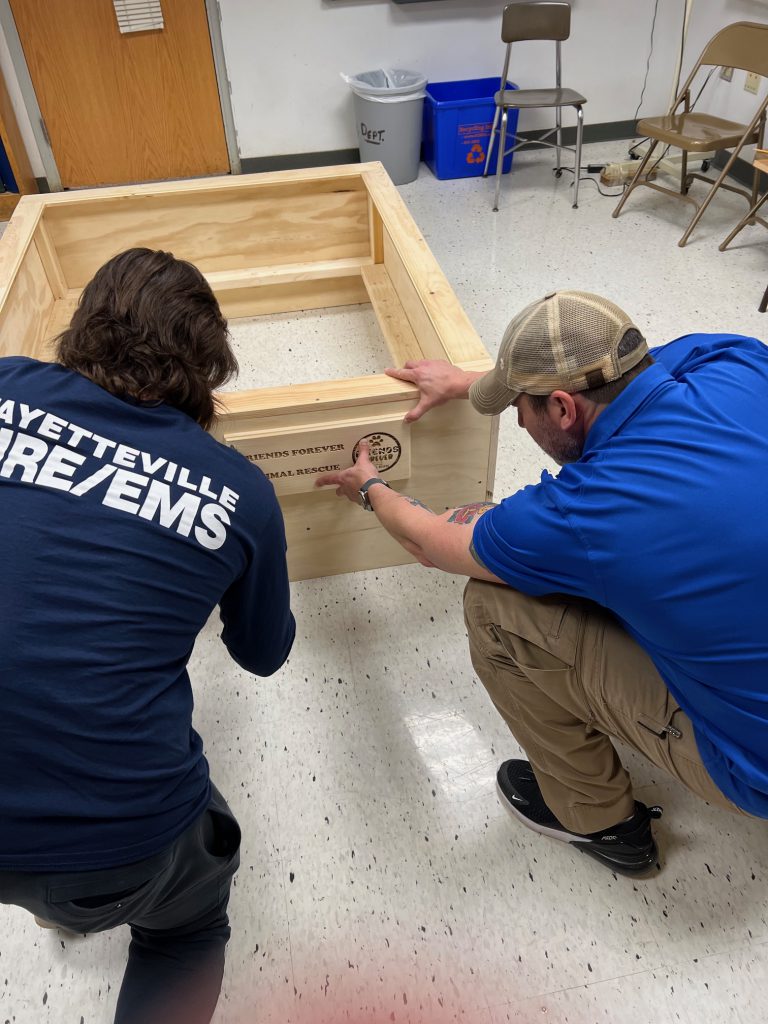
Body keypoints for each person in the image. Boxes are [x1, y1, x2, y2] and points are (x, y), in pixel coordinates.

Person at [317, 290, 768, 877]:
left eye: (519, 409)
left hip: (754, 769)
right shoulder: (735, 360)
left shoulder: (583, 514)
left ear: (561, 408)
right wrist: (473, 384)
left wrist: (372, 489)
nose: (518, 421)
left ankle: (599, 822)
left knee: (494, 605)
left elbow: (429, 542)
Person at [0, 248, 295, 1023]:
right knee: (187, 928)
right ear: (211, 364)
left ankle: (58, 905)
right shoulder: (236, 490)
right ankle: (78, 900)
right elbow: (264, 655)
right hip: (126, 836)